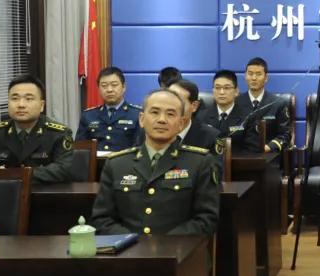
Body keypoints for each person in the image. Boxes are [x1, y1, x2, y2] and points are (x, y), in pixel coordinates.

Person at [91, 88, 219, 236]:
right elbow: (101, 219)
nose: (162, 119)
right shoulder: (116, 164)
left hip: (180, 248)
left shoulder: (200, 162)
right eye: (154, 112)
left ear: (181, 123)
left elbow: (207, 220)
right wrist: (132, 242)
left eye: (170, 114)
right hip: (129, 248)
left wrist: (163, 244)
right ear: (141, 119)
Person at [0, 76, 78, 184]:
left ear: (41, 105)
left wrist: (12, 175)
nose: (21, 105)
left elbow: (64, 169)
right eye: (15, 99)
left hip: (43, 193)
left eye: (29, 99)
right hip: (4, 193)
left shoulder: (58, 133)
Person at [166, 79, 225, 179]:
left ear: (194, 106)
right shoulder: (151, 132)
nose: (171, 107)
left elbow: (213, 174)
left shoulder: (212, 137)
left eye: (178, 102)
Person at [232, 57, 292, 154]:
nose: (254, 78)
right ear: (245, 76)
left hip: (268, 156)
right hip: (240, 156)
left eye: (258, 74)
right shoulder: (235, 102)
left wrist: (269, 147)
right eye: (250, 74)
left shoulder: (278, 103)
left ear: (266, 78)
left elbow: (285, 134)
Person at [75, 66, 142, 151]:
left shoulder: (137, 115)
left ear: (124, 87)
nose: (109, 90)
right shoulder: (88, 116)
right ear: (99, 89)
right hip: (96, 160)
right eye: (104, 86)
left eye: (114, 85)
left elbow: (140, 147)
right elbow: (80, 149)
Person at [196, 69, 249, 140]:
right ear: (213, 90)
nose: (221, 92)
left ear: (236, 91)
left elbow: (251, 145)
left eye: (226, 88)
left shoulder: (247, 117)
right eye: (217, 88)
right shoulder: (201, 117)